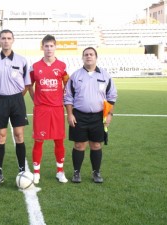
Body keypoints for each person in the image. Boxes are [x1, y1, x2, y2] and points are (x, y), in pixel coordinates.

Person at [0, 29, 31, 186]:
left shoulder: (22, 60)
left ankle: (22, 169)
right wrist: (0, 97)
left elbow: (26, 84)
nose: (6, 41)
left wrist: (16, 97)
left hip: (17, 100)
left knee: (19, 135)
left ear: (13, 40)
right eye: (3, 38)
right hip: (0, 101)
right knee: (1, 136)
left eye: (8, 38)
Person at [64, 47, 117, 183]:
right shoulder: (75, 76)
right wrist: (69, 114)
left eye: (91, 54)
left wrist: (109, 115)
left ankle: (96, 172)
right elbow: (68, 97)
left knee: (96, 145)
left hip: (98, 117)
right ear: (82, 58)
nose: (88, 56)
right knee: (79, 145)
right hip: (79, 115)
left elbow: (111, 97)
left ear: (96, 57)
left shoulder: (105, 76)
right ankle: (76, 173)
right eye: (86, 54)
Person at [28, 34, 69, 184]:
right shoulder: (35, 66)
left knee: (59, 141)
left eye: (51, 46)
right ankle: (36, 172)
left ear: (55, 47)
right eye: (46, 46)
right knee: (39, 141)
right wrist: (35, 99)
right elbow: (29, 85)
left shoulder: (62, 66)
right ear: (42, 47)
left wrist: (63, 99)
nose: (49, 49)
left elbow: (67, 84)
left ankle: (60, 171)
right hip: (41, 109)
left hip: (57, 109)